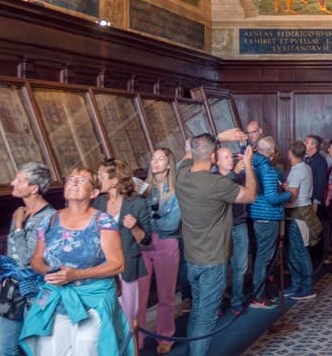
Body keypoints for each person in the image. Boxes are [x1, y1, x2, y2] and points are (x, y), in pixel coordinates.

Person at [21, 166, 131, 356]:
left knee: (86, 349)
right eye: (71, 178)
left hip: (92, 300)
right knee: (51, 350)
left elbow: (118, 263)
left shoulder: (102, 221)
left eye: (82, 180)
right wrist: (50, 272)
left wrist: (76, 274)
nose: (73, 182)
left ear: (94, 192)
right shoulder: (49, 220)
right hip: (57, 297)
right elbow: (36, 259)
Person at [175, 135, 257, 356]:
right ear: (213, 156)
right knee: (205, 318)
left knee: (197, 312)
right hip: (213, 261)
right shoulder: (217, 183)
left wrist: (217, 138)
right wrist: (249, 164)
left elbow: (188, 148)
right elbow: (250, 195)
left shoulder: (181, 175)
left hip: (192, 259)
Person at [0, 163, 55, 356]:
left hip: (34, 291)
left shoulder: (49, 216)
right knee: (4, 348)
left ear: (34, 188)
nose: (13, 183)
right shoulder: (21, 212)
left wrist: (18, 226)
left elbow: (28, 258)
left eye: (19, 180)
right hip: (10, 289)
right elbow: (13, 254)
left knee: (36, 348)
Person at [94, 159, 152, 331]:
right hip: (103, 270)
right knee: (107, 319)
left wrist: (134, 227)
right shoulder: (98, 204)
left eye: (101, 176)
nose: (98, 180)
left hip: (127, 268)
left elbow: (147, 240)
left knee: (129, 318)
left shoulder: (137, 203)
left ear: (114, 180)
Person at [137, 148, 181, 355]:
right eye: (153, 158)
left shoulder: (177, 190)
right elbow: (138, 218)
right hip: (143, 245)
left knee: (166, 295)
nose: (155, 162)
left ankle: (165, 336)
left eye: (160, 159)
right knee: (140, 296)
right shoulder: (143, 189)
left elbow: (172, 225)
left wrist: (150, 223)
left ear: (169, 164)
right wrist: (150, 224)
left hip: (167, 244)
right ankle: (137, 337)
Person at [248, 136, 291, 309]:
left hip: (257, 214)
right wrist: (290, 194)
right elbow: (272, 198)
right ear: (272, 152)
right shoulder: (267, 169)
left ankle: (259, 293)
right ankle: (258, 296)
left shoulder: (253, 164)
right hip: (268, 216)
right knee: (263, 258)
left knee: (261, 257)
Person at [212, 147, 249, 316]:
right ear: (217, 161)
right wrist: (234, 173)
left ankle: (237, 301)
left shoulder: (240, 176)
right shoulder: (213, 179)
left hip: (240, 225)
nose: (230, 160)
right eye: (226, 157)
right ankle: (217, 303)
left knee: (240, 266)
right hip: (222, 229)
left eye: (231, 157)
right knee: (220, 268)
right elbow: (226, 190)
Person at [283, 142, 316, 300]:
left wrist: (281, 194)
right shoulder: (305, 167)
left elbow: (293, 195)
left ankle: (307, 287)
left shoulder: (297, 171)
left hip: (298, 213)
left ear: (290, 153)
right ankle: (297, 285)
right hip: (301, 211)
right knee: (294, 251)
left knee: (300, 252)